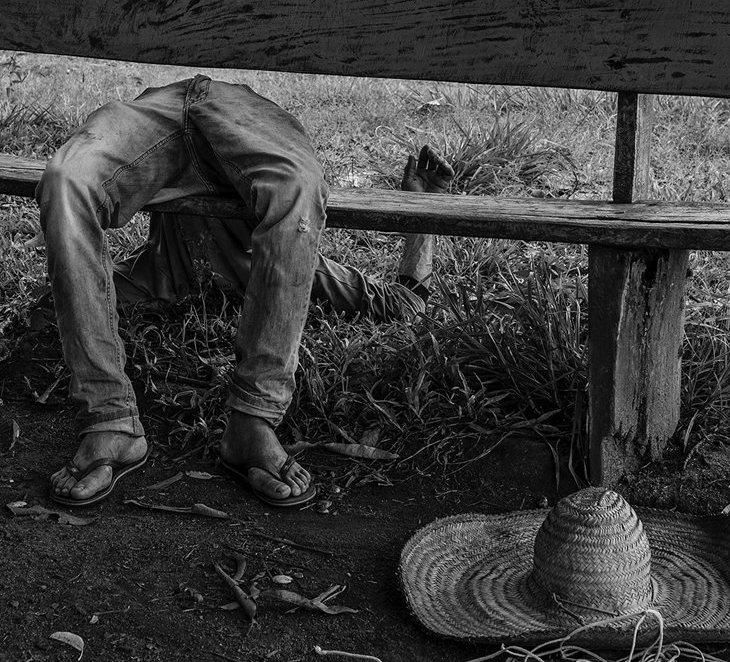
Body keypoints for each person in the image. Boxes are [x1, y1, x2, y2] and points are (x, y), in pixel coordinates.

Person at [34, 75, 450, 509]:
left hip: (241, 116)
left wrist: (426, 206)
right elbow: (406, 302)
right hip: (160, 113)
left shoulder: (184, 275)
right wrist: (428, 206)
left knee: (294, 186)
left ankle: (250, 422)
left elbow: (401, 303)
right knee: (68, 179)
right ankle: (112, 418)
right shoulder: (185, 270)